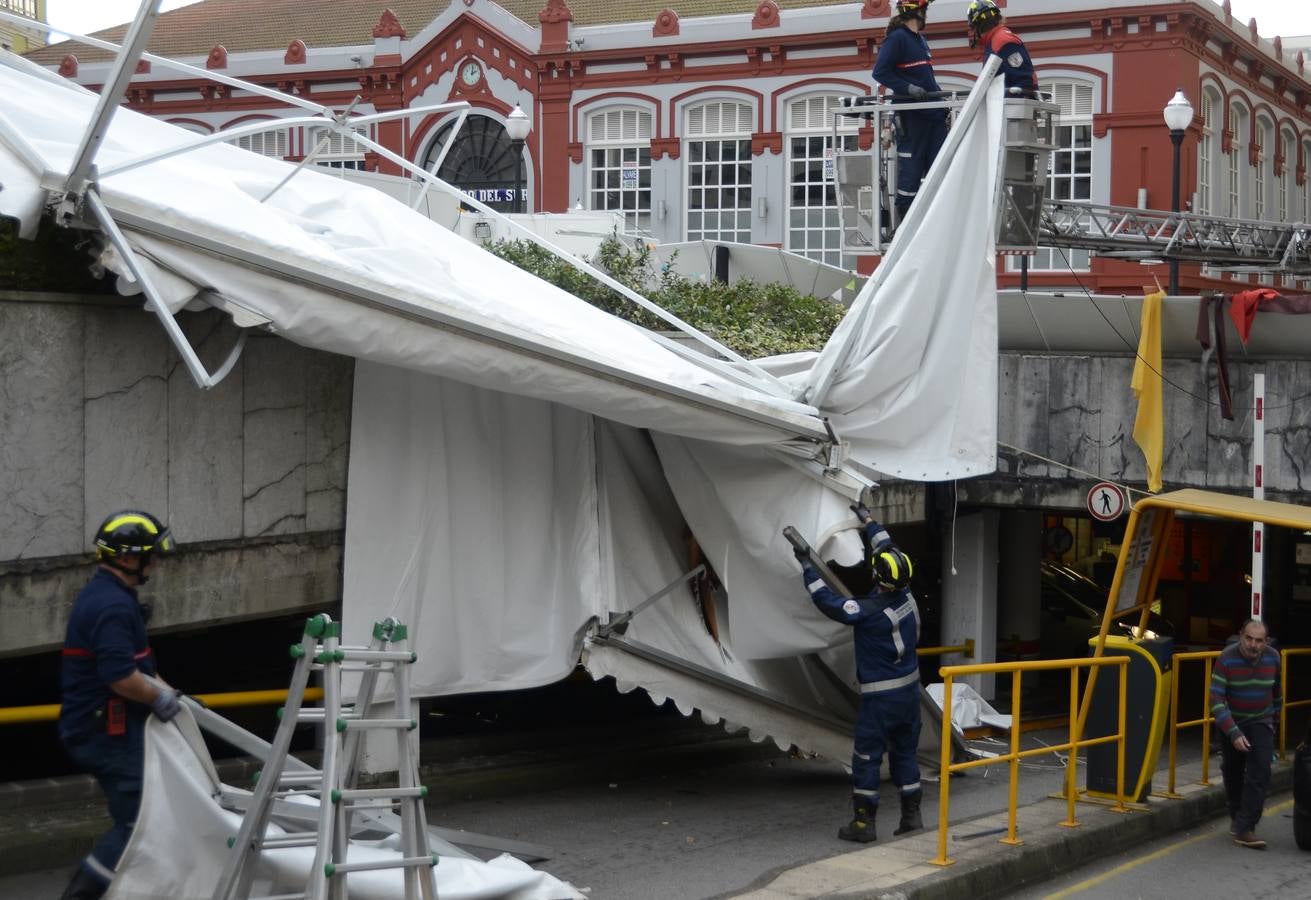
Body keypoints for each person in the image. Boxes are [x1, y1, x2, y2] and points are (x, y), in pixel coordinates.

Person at [58, 510, 183, 900]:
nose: (156, 562)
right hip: (106, 733)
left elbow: (140, 668)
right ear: (128, 558)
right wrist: (158, 697)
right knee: (138, 824)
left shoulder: (112, 596)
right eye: (151, 555)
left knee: (149, 818)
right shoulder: (112, 607)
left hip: (110, 727)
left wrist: (178, 699)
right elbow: (121, 678)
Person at [794, 503, 923, 842]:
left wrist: (808, 568)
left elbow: (829, 603)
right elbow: (886, 547)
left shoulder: (867, 612)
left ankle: (864, 825)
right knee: (905, 752)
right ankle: (912, 815)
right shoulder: (907, 596)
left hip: (880, 700)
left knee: (867, 757)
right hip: (910, 695)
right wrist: (869, 522)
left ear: (878, 578)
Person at [872, 0, 949, 224]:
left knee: (940, 167)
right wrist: (908, 88)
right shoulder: (897, 39)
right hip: (912, 116)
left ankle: (936, 217)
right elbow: (880, 72)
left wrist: (940, 100)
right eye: (925, 9)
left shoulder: (920, 40)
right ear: (917, 10)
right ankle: (905, 221)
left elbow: (926, 78)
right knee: (911, 170)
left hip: (933, 115)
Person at [1210, 617, 1281, 850]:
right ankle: (1236, 812)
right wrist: (1233, 732)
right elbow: (1217, 699)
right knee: (1232, 770)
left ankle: (1245, 827)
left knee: (1260, 772)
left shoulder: (1274, 657)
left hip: (1262, 720)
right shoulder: (1226, 658)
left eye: (1259, 641)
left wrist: (1275, 722)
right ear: (1241, 635)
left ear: (1266, 642)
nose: (1253, 645)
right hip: (1232, 720)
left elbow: (1276, 692)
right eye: (1249, 638)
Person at [966, 0, 1037, 96]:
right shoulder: (994, 42)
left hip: (1012, 108)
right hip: (1004, 107)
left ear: (977, 27)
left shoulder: (1003, 41)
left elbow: (1024, 83)